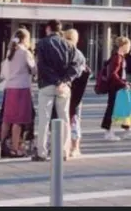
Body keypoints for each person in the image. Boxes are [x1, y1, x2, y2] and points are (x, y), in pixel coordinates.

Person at [33, 19, 81, 162]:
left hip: (47, 84)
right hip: (64, 87)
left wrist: (55, 80)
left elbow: (42, 66)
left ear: (48, 28)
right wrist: (65, 80)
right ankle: (63, 151)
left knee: (44, 119)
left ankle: (41, 152)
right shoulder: (68, 45)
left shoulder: (42, 44)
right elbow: (76, 66)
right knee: (64, 118)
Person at [1, 29, 36, 158]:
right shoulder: (25, 52)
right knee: (18, 120)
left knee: (7, 119)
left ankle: (2, 144)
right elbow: (34, 70)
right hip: (22, 88)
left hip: (10, 87)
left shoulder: (10, 51)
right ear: (26, 38)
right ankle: (15, 148)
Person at [101, 36, 131, 142]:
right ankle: (108, 132)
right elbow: (113, 74)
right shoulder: (117, 57)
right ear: (123, 46)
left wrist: (126, 83)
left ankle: (126, 131)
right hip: (115, 87)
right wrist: (123, 84)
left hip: (118, 86)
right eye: (128, 45)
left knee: (125, 108)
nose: (129, 47)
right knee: (112, 109)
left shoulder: (120, 57)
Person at [63, 29, 89, 159]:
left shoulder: (67, 53)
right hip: (75, 91)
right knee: (74, 118)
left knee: (69, 118)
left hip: (68, 90)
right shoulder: (77, 54)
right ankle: (73, 146)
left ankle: (71, 146)